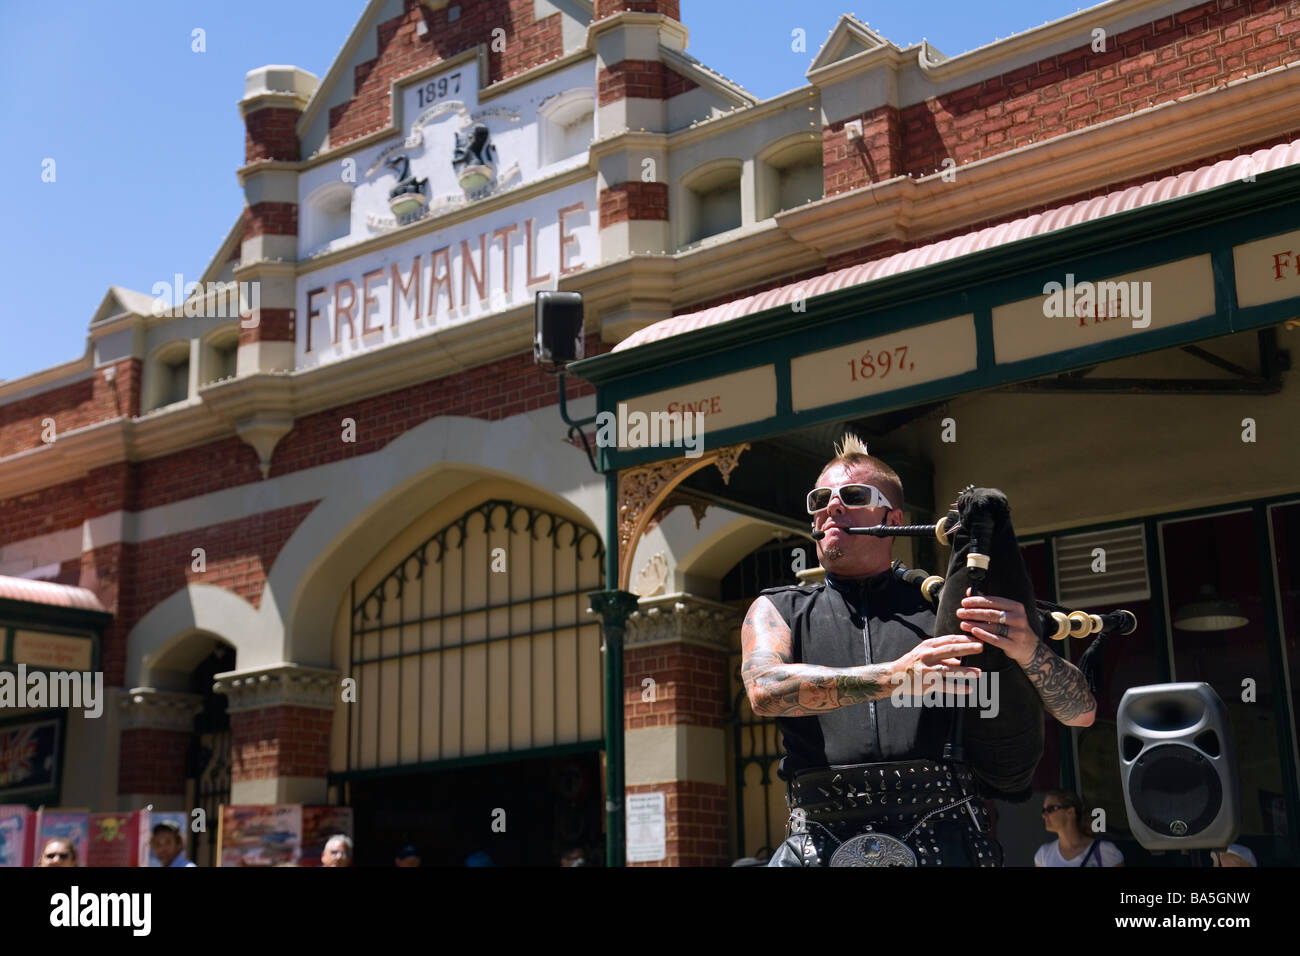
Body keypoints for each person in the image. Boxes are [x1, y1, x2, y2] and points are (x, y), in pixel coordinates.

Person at [743, 435, 1097, 867]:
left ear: (892, 518)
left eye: (853, 496)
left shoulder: (946, 609)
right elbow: (764, 689)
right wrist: (896, 676)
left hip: (947, 839)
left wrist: (1028, 650)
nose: (831, 508)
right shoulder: (778, 608)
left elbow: (1081, 713)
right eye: (820, 499)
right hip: (818, 843)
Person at [1034, 790, 1123, 866]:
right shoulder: (1043, 855)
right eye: (1043, 810)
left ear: (1070, 812)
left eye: (1050, 809)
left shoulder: (1104, 851)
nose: (1044, 815)